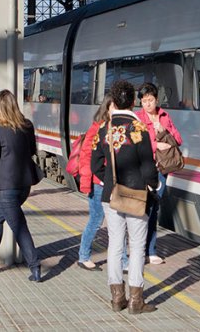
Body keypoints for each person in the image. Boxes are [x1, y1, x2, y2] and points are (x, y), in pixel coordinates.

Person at [91, 80, 159, 314]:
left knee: (115, 245)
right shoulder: (139, 129)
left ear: (114, 100)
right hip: (136, 195)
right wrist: (152, 185)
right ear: (132, 101)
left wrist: (109, 179)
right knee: (137, 246)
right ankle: (136, 301)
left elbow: (95, 164)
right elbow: (149, 166)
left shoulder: (103, 128)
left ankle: (117, 298)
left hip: (112, 195)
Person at [0, 89, 41, 282]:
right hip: (24, 185)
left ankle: (35, 265)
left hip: (5, 187)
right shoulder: (27, 126)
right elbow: (32, 150)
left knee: (19, 226)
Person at [134, 82, 183, 265]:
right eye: (144, 100)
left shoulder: (164, 116)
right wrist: (156, 145)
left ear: (156, 99)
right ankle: (139, 248)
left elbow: (178, 139)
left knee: (154, 208)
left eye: (151, 100)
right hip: (144, 167)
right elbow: (136, 143)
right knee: (142, 209)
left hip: (162, 169)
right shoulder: (137, 118)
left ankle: (151, 250)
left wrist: (164, 130)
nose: (147, 104)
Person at [77, 95, 113, 271]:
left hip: (110, 181)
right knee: (96, 219)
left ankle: (121, 259)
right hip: (98, 182)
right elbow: (86, 156)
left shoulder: (115, 127)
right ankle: (84, 256)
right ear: (107, 108)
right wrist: (86, 183)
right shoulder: (98, 129)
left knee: (115, 222)